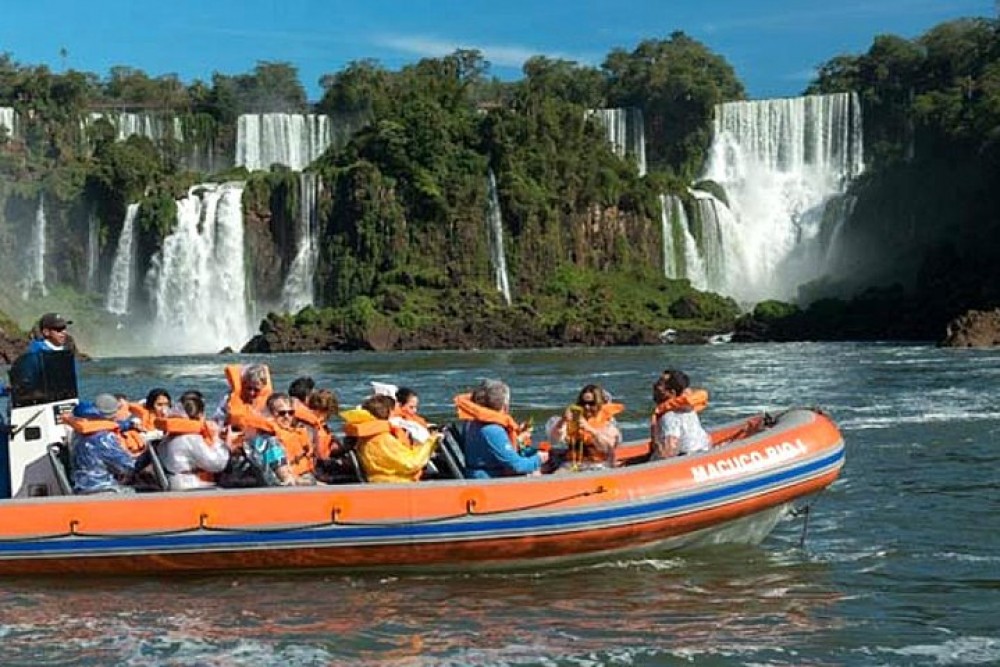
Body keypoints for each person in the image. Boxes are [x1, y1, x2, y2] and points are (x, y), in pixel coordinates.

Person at [456, 379, 547, 479]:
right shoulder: (492, 430)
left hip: (477, 474)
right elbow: (517, 466)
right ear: (504, 405)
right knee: (538, 472)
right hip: (488, 481)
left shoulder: (471, 422)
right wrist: (539, 458)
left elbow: (491, 449)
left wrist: (518, 439)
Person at [67, 393, 151, 494]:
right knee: (153, 491)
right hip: (101, 489)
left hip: (82, 485)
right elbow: (128, 467)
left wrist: (130, 425)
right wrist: (149, 453)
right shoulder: (103, 439)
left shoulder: (78, 433)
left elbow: (114, 425)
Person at [347, 394, 438, 483]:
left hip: (377, 481)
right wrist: (431, 442)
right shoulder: (383, 439)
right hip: (397, 484)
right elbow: (411, 463)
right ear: (390, 412)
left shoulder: (364, 438)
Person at [156, 391, 230, 491]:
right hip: (188, 486)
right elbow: (217, 464)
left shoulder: (169, 436)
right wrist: (224, 444)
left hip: (175, 481)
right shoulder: (191, 438)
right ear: (200, 414)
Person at [546, 383, 623, 471]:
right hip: (572, 464)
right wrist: (562, 421)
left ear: (599, 403)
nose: (586, 407)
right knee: (559, 472)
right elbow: (554, 440)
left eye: (591, 403)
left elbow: (608, 446)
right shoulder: (574, 420)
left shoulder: (608, 424)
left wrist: (589, 429)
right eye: (583, 403)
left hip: (599, 465)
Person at [240, 393, 308, 486]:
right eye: (282, 413)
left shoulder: (297, 431)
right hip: (272, 478)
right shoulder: (264, 434)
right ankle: (287, 478)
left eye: (290, 413)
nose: (287, 416)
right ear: (271, 414)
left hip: (297, 475)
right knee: (270, 441)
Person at [650, 370, 711, 460]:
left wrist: (656, 444)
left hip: (688, 458)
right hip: (703, 449)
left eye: (659, 384)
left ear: (672, 393)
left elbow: (669, 451)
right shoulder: (688, 408)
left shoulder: (669, 416)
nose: (654, 385)